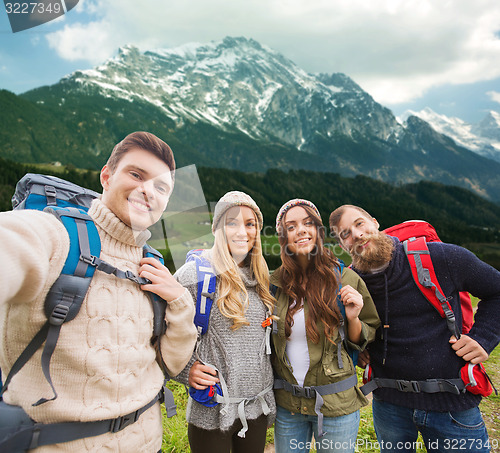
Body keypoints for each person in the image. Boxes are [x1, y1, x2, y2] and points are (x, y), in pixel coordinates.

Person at [0, 131, 198, 452]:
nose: (148, 190)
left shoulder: (153, 264)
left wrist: (179, 300)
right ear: (106, 176)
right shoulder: (55, 234)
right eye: (136, 174)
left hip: (148, 443)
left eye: (161, 187)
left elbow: (173, 363)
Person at [329, 204, 500, 453]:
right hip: (389, 406)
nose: (356, 235)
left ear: (375, 223)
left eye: (359, 224)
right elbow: (353, 327)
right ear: (343, 245)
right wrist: (360, 348)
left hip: (451, 403)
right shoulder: (351, 282)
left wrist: (483, 339)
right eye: (345, 234)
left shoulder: (440, 258)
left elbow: (496, 290)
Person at [271, 199, 380, 453]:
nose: (301, 230)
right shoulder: (274, 285)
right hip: (288, 406)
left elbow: (366, 336)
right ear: (283, 237)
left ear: (318, 232)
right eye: (291, 226)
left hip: (336, 405)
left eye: (308, 223)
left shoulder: (346, 278)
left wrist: (353, 318)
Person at [172, 191, 277, 453]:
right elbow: (159, 332)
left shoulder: (263, 279)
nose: (242, 231)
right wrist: (184, 371)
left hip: (256, 409)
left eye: (250, 223)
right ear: (217, 228)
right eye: (232, 222)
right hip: (211, 411)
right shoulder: (195, 275)